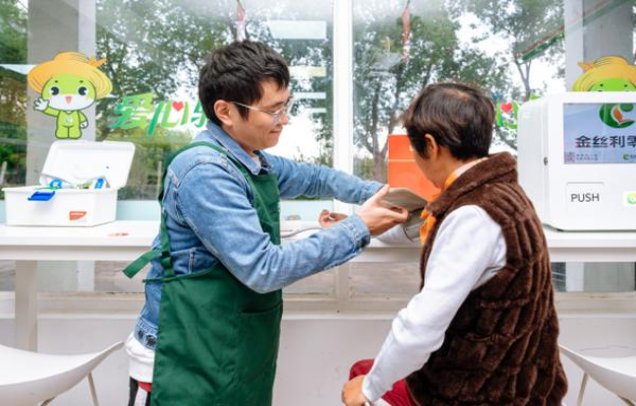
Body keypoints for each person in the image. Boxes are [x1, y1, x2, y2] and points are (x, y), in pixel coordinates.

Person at [122, 40, 408, 406]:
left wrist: (392, 195)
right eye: (273, 111)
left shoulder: (251, 160)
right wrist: (359, 227)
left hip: (228, 343)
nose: (284, 120)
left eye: (286, 107)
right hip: (182, 351)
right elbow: (264, 268)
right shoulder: (205, 172)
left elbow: (316, 178)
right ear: (225, 111)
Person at [341, 82, 568, 406]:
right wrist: (360, 226)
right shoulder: (506, 194)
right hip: (525, 379)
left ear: (431, 146)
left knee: (361, 377)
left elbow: (420, 328)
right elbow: (425, 233)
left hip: (480, 392)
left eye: (414, 149)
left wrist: (369, 388)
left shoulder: (471, 216)